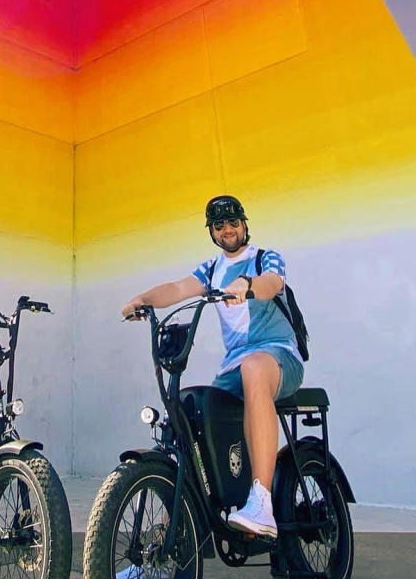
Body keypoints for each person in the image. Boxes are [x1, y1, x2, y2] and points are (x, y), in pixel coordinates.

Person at [121, 195, 304, 538]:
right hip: (237, 367)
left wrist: (247, 286)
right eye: (219, 226)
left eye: (233, 222)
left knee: (253, 367)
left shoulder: (265, 258)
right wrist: (142, 300)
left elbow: (272, 284)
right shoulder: (211, 269)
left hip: (279, 356)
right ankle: (169, 538)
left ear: (245, 224)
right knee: (190, 415)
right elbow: (177, 288)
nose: (227, 230)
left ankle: (262, 503)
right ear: (212, 232)